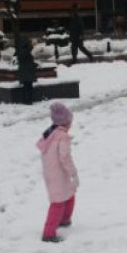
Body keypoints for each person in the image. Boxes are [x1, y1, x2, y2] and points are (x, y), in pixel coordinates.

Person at [36, 102, 79, 243]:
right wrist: (73, 173)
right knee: (58, 202)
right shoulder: (63, 137)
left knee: (69, 195)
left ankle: (64, 220)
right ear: (66, 122)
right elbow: (64, 157)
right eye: (70, 122)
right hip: (59, 173)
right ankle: (48, 233)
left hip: (51, 173)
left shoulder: (51, 132)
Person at [16, 38, 37, 105]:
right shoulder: (26, 51)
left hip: (24, 72)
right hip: (28, 72)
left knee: (26, 86)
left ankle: (26, 100)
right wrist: (34, 65)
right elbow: (28, 62)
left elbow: (26, 61)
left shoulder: (20, 51)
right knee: (28, 87)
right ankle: (28, 101)